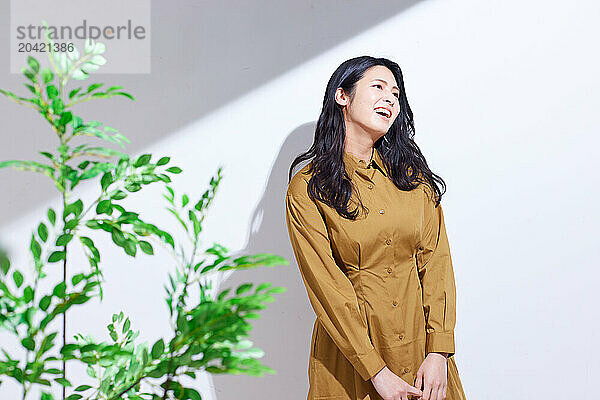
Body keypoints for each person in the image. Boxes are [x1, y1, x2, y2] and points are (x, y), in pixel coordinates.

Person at [284, 56, 467, 400]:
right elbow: (327, 288)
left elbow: (437, 265)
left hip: (423, 359)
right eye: (378, 87)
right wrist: (376, 372)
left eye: (396, 94)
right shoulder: (308, 188)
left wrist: (440, 351)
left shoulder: (413, 179)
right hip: (352, 363)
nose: (390, 99)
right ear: (343, 96)